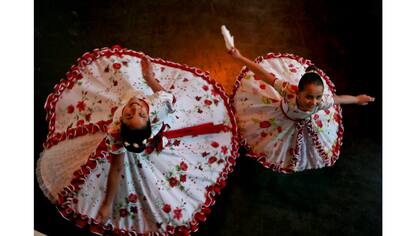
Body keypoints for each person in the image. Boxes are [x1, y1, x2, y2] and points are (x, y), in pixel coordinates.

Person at [37, 45, 238, 235]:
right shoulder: (134, 120)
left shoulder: (138, 117)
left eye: (134, 115)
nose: (134, 108)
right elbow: (115, 170)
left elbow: (165, 96)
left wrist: (149, 78)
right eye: (134, 114)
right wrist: (107, 203)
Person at [229, 47, 374, 173]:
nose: (314, 102)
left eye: (317, 97)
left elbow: (340, 99)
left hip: (299, 122)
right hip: (280, 116)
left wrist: (357, 99)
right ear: (298, 93)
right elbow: (262, 74)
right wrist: (239, 57)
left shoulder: (322, 102)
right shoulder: (288, 91)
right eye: (309, 97)